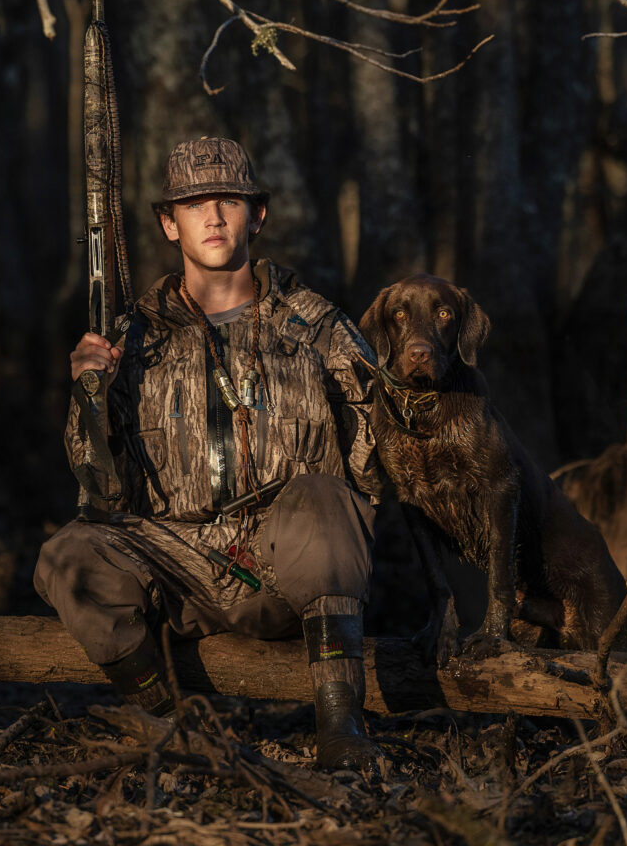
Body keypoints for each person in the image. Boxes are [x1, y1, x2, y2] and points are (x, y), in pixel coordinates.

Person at [35, 136, 382, 771]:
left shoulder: (318, 328)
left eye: (229, 200)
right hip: (177, 570)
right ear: (170, 224)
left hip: (287, 566)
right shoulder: (128, 339)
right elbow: (100, 496)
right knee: (67, 556)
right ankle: (175, 728)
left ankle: (341, 728)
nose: (214, 217)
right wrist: (90, 395)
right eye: (195, 205)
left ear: (259, 214)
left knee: (328, 497)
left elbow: (377, 465)